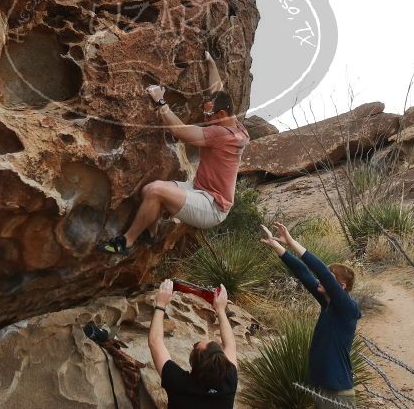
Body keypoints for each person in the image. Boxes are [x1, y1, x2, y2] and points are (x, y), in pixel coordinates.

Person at [99, 51, 250, 255]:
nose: (205, 117)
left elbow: (179, 131)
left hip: (212, 206)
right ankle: (151, 234)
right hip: (199, 189)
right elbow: (218, 90)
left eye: (208, 114)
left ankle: (126, 242)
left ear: (221, 114)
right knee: (148, 190)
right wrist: (211, 64)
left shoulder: (221, 134)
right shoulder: (236, 125)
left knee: (155, 191)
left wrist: (161, 102)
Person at [260, 222, 361, 409]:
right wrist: (278, 247)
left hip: (337, 392)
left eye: (330, 278)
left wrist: (292, 241)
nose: (322, 280)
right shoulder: (327, 304)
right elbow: (304, 273)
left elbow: (321, 271)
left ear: (341, 287)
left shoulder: (347, 308)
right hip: (322, 387)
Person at [148, 279, 238, 408]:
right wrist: (221, 309)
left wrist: (160, 303)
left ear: (193, 362)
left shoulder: (179, 383)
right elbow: (231, 345)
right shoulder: (229, 383)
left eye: (195, 346)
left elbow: (154, 341)